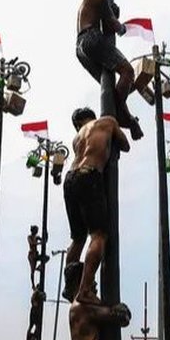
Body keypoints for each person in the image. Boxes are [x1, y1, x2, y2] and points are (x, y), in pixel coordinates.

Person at [62, 107, 130, 305]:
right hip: (90, 175)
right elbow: (125, 145)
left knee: (78, 238)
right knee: (99, 235)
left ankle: (70, 284)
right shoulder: (107, 121)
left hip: (70, 178)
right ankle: (85, 288)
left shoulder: (77, 139)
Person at [76, 0, 143, 141]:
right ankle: (121, 113)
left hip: (81, 47)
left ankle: (125, 117)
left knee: (110, 89)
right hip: (93, 38)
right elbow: (112, 24)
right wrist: (122, 28)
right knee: (128, 72)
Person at [67, 262, 131, 340]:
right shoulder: (81, 308)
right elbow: (120, 316)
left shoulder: (84, 307)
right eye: (90, 280)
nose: (95, 284)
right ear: (80, 283)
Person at [28, 225, 49, 289]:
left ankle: (39, 267)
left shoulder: (37, 237)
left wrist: (46, 235)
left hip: (36, 254)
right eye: (36, 230)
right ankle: (33, 285)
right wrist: (40, 243)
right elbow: (32, 243)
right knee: (32, 270)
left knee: (46, 258)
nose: (37, 232)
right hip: (32, 255)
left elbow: (44, 241)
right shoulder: (29, 237)